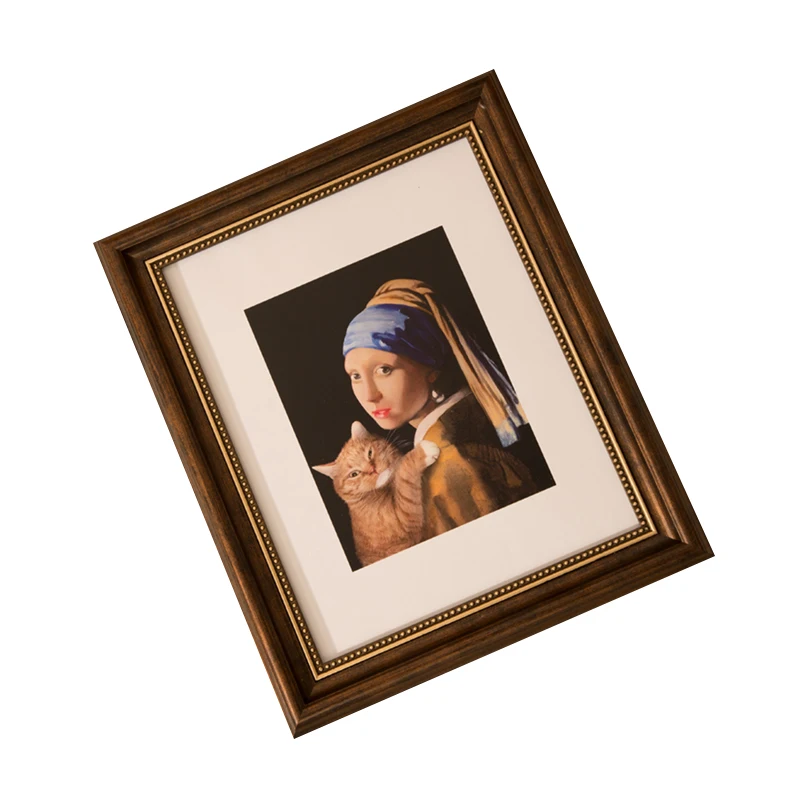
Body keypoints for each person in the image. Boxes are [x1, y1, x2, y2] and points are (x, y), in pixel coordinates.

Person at [342, 278, 540, 538]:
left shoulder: (448, 468)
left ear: (431, 367)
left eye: (384, 370)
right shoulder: (466, 431)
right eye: (355, 376)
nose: (369, 395)